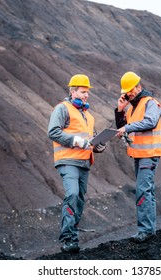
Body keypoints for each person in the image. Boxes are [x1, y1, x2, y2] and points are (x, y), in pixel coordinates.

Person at [47, 74, 106, 253]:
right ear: (72, 91)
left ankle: (73, 237)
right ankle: (68, 238)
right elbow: (53, 132)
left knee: (79, 199)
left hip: (84, 162)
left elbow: (91, 141)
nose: (86, 95)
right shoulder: (62, 109)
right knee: (72, 194)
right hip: (68, 161)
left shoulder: (89, 116)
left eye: (87, 92)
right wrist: (76, 141)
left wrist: (99, 145)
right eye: (82, 92)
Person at [114, 71, 161, 243]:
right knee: (147, 191)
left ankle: (145, 231)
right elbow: (123, 126)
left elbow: (150, 122)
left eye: (130, 90)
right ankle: (149, 230)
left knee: (143, 190)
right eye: (126, 91)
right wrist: (120, 111)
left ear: (138, 86)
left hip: (149, 154)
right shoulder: (132, 108)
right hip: (139, 154)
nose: (129, 94)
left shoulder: (150, 103)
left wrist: (127, 129)